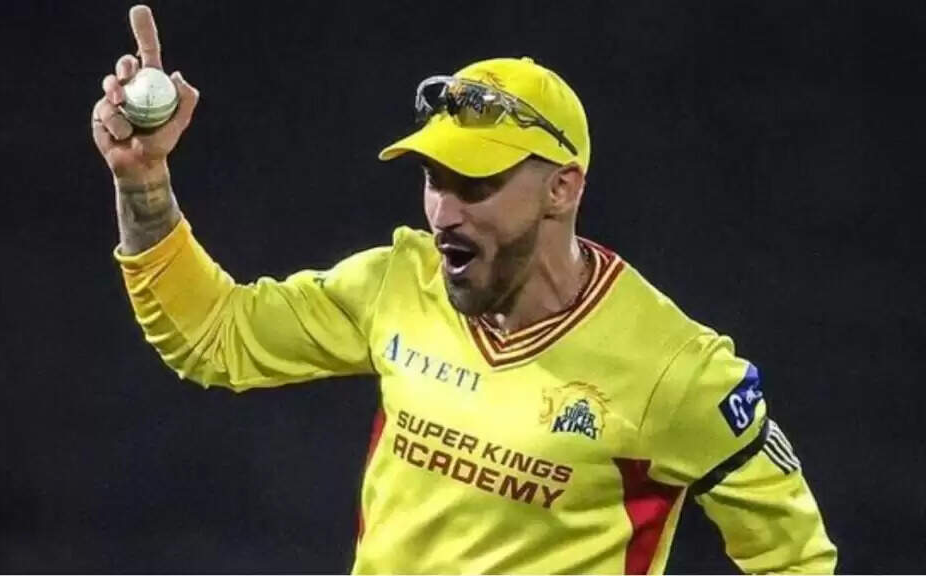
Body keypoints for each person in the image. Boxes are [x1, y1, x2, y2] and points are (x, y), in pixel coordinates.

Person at [91, 5, 837, 574]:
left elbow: (796, 560)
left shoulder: (677, 373)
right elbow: (215, 337)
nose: (444, 213)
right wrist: (144, 184)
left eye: (475, 185)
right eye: (434, 179)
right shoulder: (397, 284)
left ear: (562, 188)